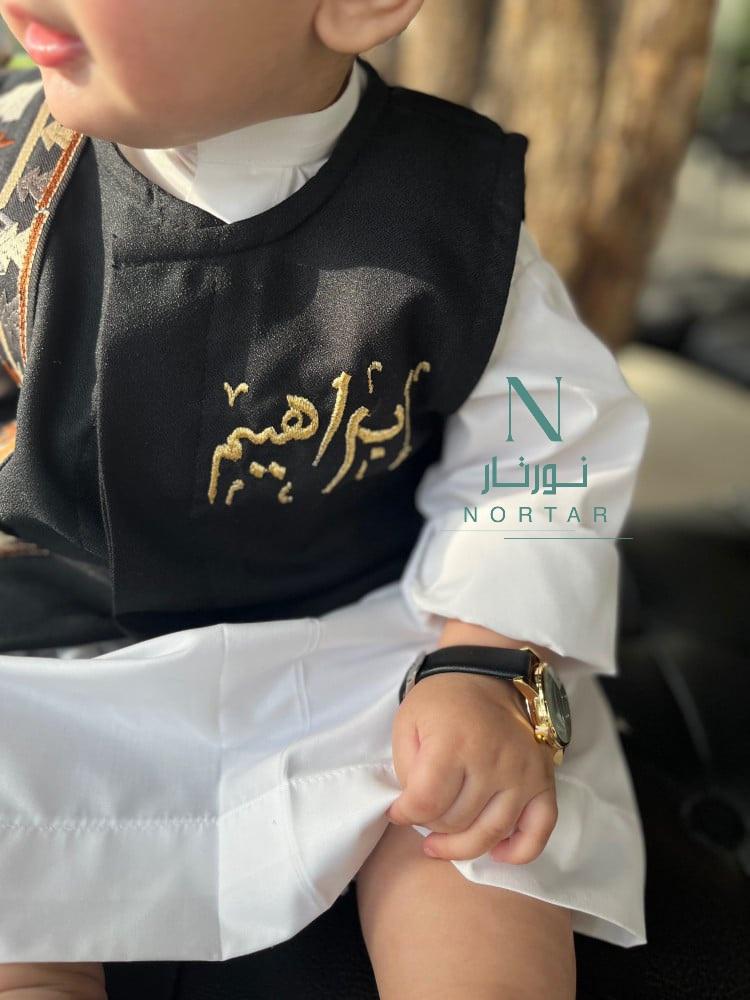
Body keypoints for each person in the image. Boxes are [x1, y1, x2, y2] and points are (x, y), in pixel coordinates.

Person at [0, 1, 651, 998]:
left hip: (358, 647)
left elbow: (543, 444)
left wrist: (481, 656)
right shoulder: (17, 170)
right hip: (62, 651)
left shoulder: (444, 209)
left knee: (470, 835)